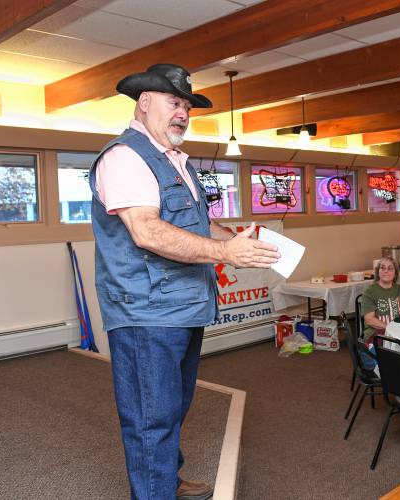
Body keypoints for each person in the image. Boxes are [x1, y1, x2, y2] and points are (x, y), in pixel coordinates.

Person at [89, 64, 280, 500]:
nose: (183, 113)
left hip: (182, 308)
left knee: (171, 409)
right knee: (149, 419)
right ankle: (154, 492)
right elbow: (146, 231)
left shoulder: (177, 161)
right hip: (145, 312)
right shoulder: (125, 158)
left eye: (187, 106)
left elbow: (197, 224)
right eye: (174, 102)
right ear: (144, 103)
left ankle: (166, 482)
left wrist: (238, 244)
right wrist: (225, 254)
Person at [360, 257, 400, 369]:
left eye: (390, 268)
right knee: (393, 360)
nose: (386, 271)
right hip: (376, 333)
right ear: (378, 272)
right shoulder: (370, 291)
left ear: (395, 273)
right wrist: (390, 328)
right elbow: (369, 320)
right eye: (383, 268)